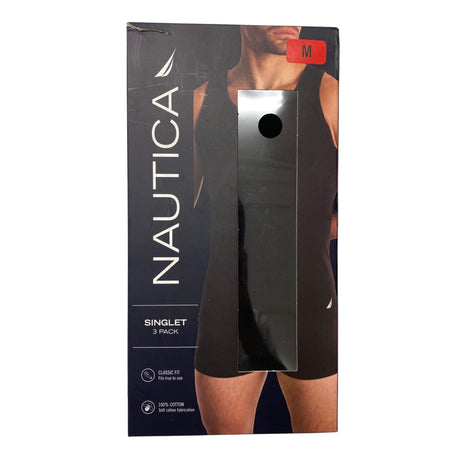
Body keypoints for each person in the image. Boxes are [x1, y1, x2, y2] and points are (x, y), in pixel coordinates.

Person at [192, 25, 338, 434]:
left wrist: (311, 229)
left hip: (308, 303)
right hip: (226, 304)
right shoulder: (201, 101)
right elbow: (168, 209)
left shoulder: (332, 97)